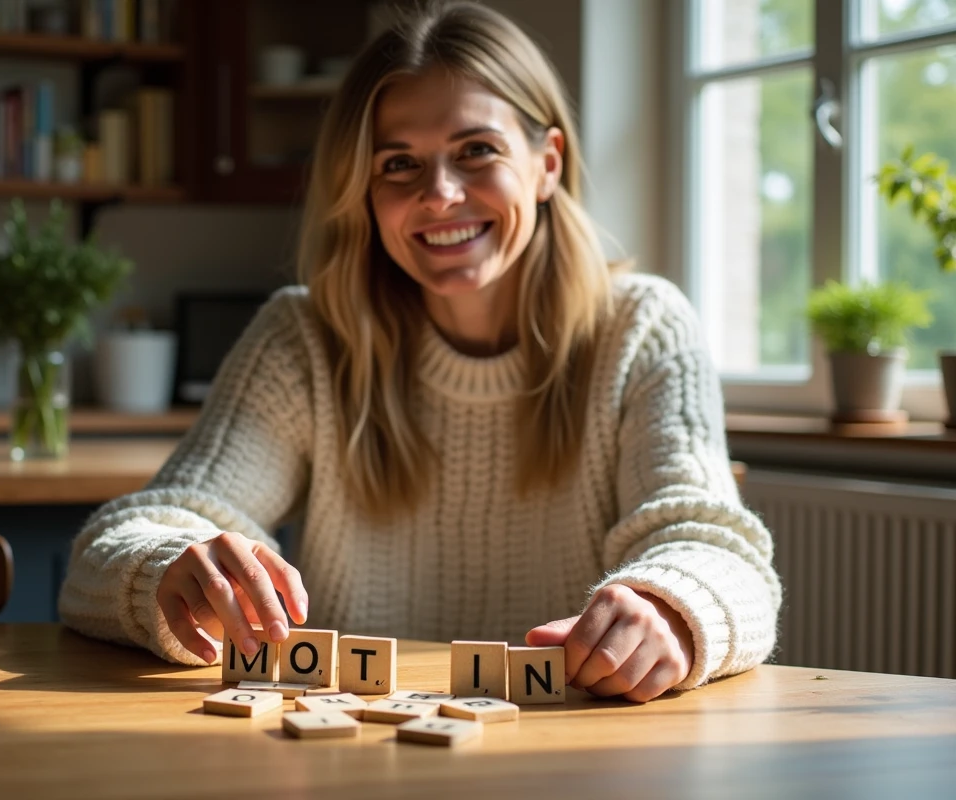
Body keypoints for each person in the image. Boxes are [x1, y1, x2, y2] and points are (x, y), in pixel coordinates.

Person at [60, 0, 781, 703]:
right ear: (365, 193)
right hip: (350, 756)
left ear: (547, 162)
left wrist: (672, 610)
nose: (440, 195)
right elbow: (109, 551)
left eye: (476, 151)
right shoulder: (304, 338)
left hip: (575, 756)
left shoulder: (643, 327)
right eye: (398, 165)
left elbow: (719, 551)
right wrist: (166, 568)